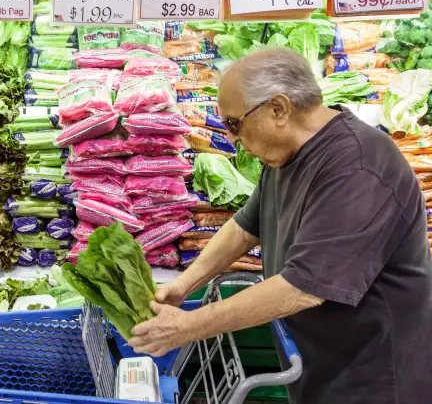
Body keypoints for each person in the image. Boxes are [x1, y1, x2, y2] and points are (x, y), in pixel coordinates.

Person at [128, 47, 432, 404]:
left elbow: (301, 288)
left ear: (278, 108)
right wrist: (183, 285)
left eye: (234, 123)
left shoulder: (359, 168)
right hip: (320, 363)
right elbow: (244, 226)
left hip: (375, 376)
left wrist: (186, 327)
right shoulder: (287, 153)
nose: (231, 138)